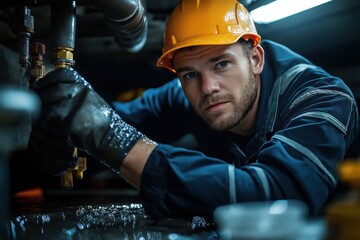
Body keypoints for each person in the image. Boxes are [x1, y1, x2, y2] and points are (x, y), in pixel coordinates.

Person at [28, 0, 359, 219]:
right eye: (189, 74)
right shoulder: (186, 93)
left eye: (222, 64)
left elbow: (278, 198)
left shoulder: (323, 100)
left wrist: (111, 137)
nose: (207, 87)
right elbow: (110, 118)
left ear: (255, 60)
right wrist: (63, 134)